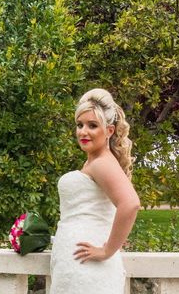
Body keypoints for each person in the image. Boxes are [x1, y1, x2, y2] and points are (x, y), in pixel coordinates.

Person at [49, 88, 140, 294]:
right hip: (77, 266)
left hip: (87, 270)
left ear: (109, 130)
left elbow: (130, 203)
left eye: (92, 125)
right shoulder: (95, 162)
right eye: (79, 125)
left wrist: (107, 250)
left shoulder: (102, 163)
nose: (83, 132)